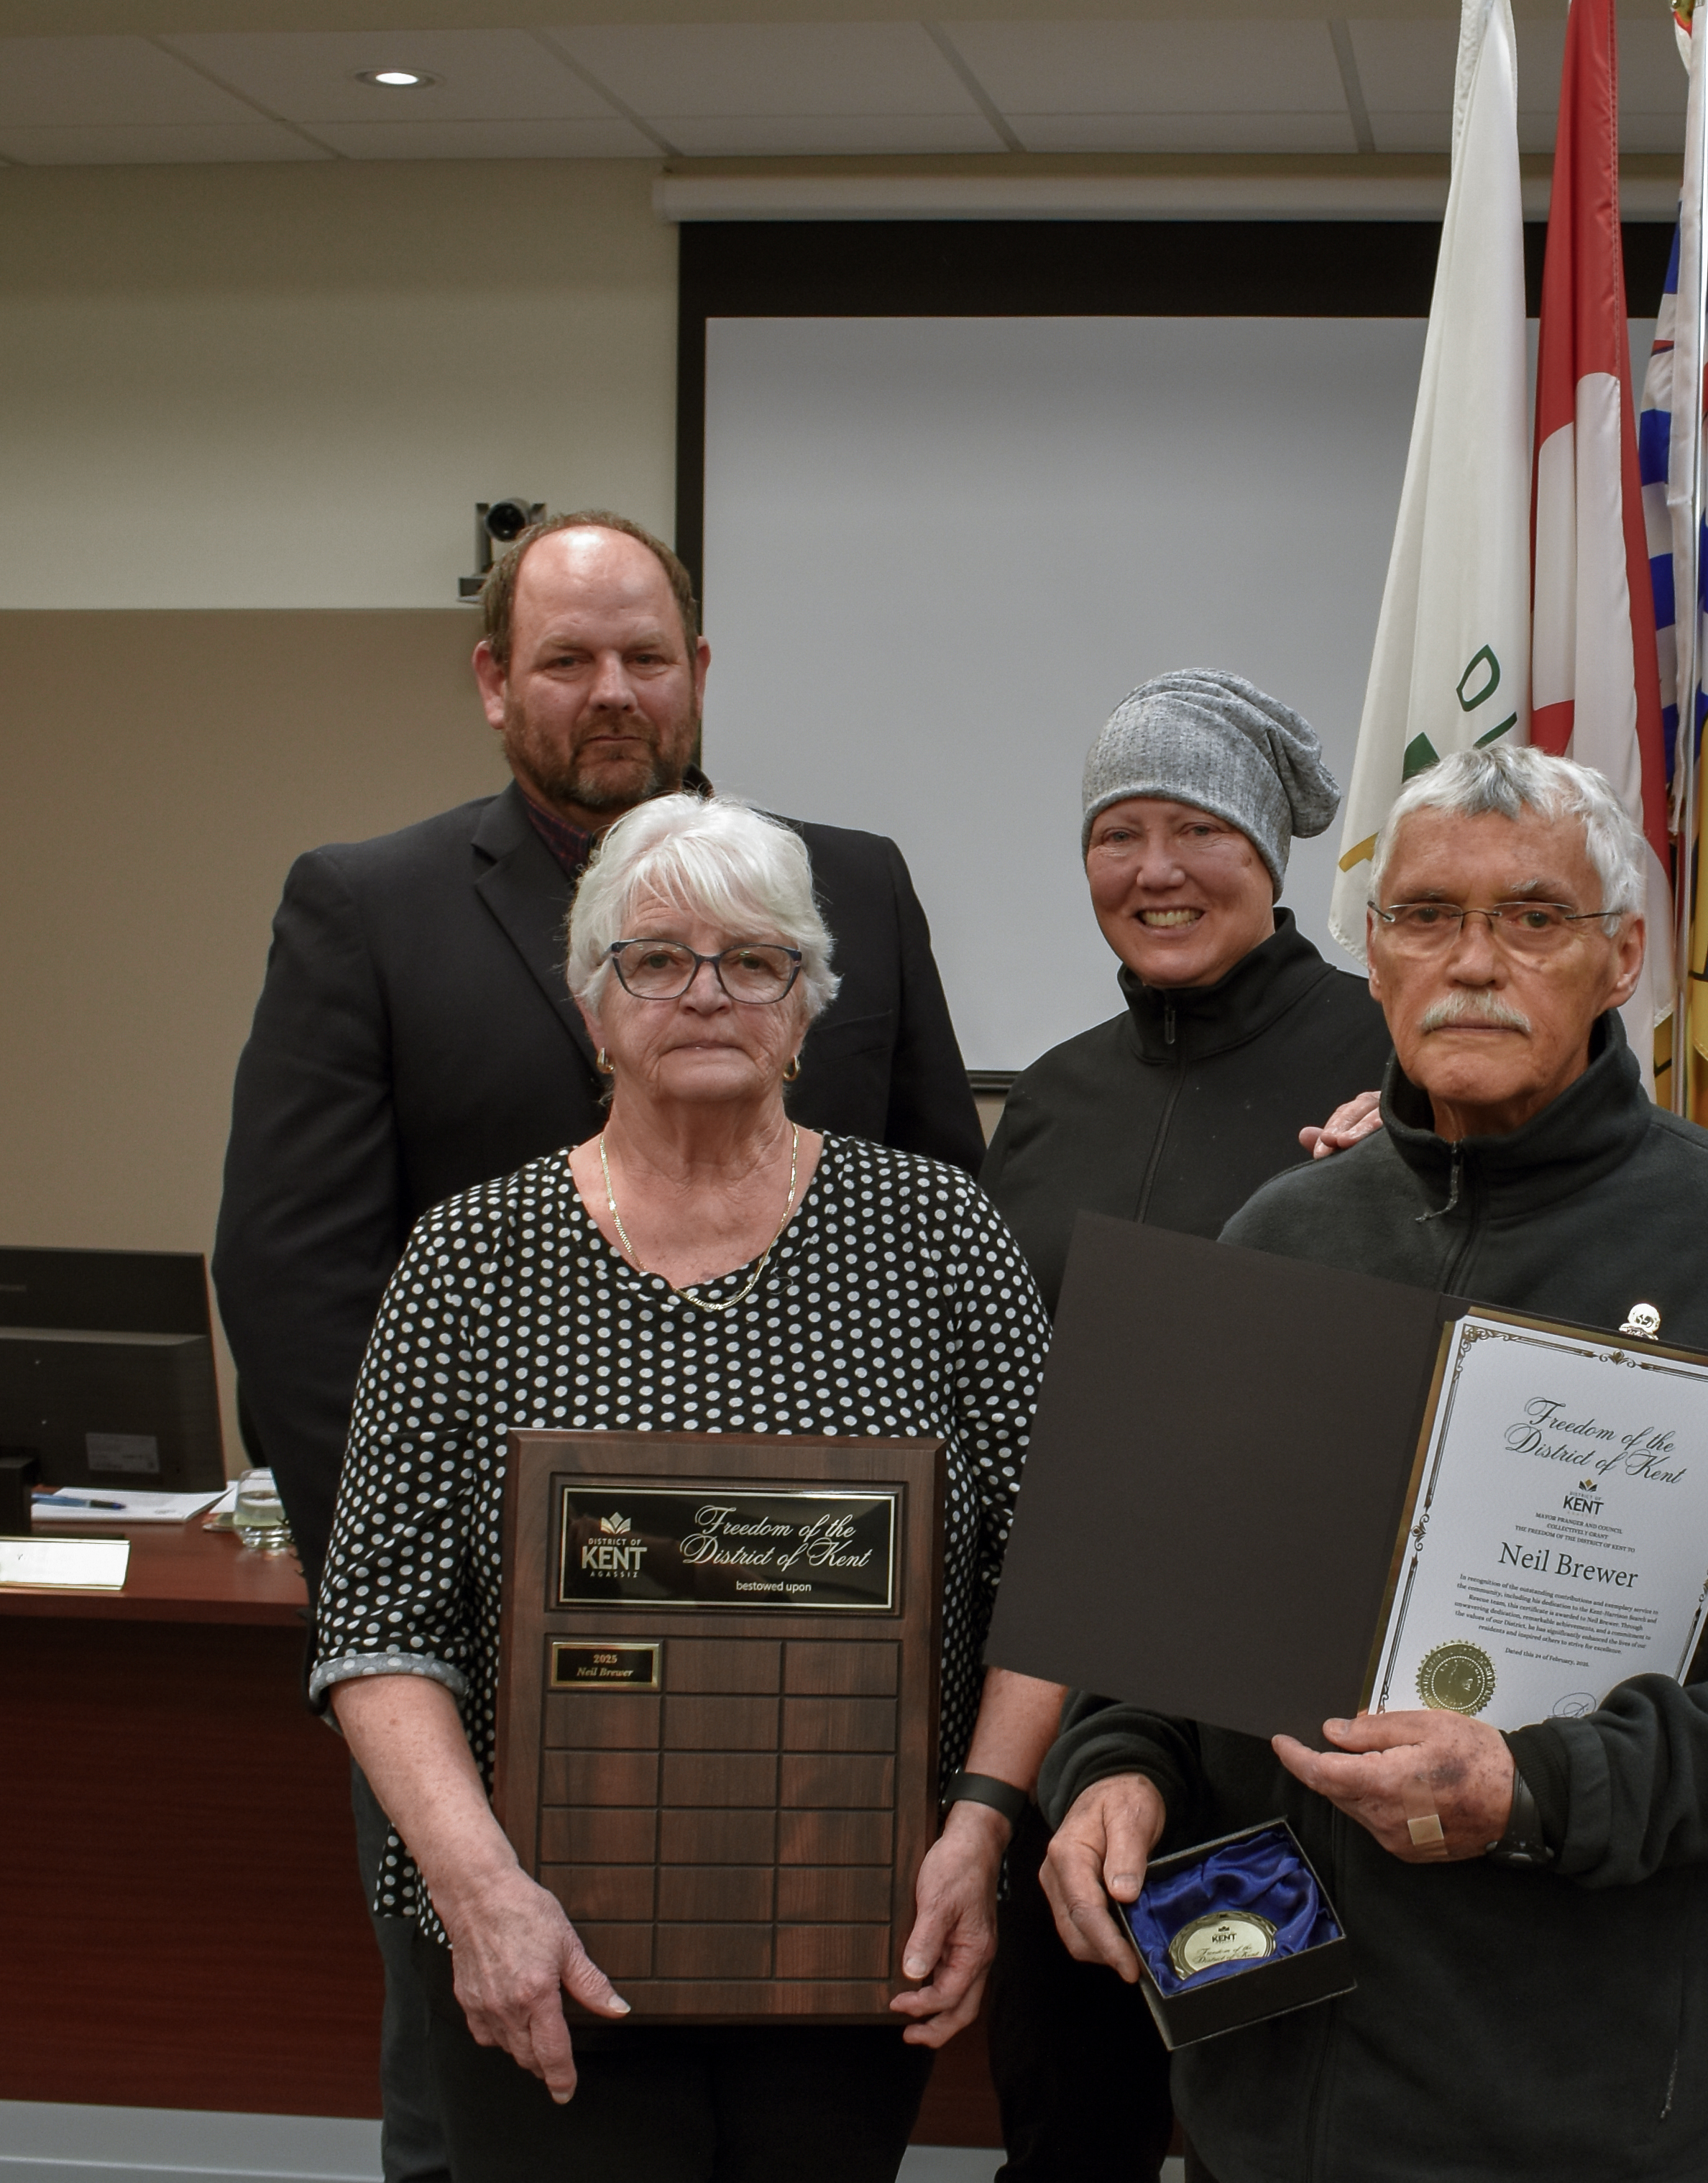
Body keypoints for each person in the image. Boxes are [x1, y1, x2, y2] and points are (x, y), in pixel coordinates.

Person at [1037, 745, 1708, 2183]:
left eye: (1532, 917)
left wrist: (1542, 1786)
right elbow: (1162, 1632)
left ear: (1622, 958)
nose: (1472, 962)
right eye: (1425, 916)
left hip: (1591, 2105)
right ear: (1373, 953)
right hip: (1267, 2091)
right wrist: (1115, 1769)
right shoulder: (1281, 1236)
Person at [213, 511, 981, 2183]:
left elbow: (944, 1217)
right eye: (568, 658)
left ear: (698, 670)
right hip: (486, 1695)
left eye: (645, 654)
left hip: (826, 1701)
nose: (613, 689)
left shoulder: (849, 884)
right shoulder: (368, 905)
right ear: (496, 681)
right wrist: (437, 1606)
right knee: (488, 2089)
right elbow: (293, 1280)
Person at [313, 794, 1057, 2181]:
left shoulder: (941, 1237)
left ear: (807, 1002)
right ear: (592, 1006)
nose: (706, 991)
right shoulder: (468, 1258)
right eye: (655, 958)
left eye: (754, 959)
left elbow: (1057, 1574)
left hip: (856, 1926)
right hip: (539, 1939)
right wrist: (482, 1892)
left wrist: (981, 1828)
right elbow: (377, 1624)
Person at [979, 670, 1389, 2179]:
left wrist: (1408, 1174)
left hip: (1280, 1725)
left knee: (1268, 2135)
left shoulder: (1392, 1069)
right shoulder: (1051, 1098)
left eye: (1198, 828)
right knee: (1067, 2124)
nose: (1154, 869)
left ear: (1270, 851)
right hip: (1058, 1710)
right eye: (1117, 833)